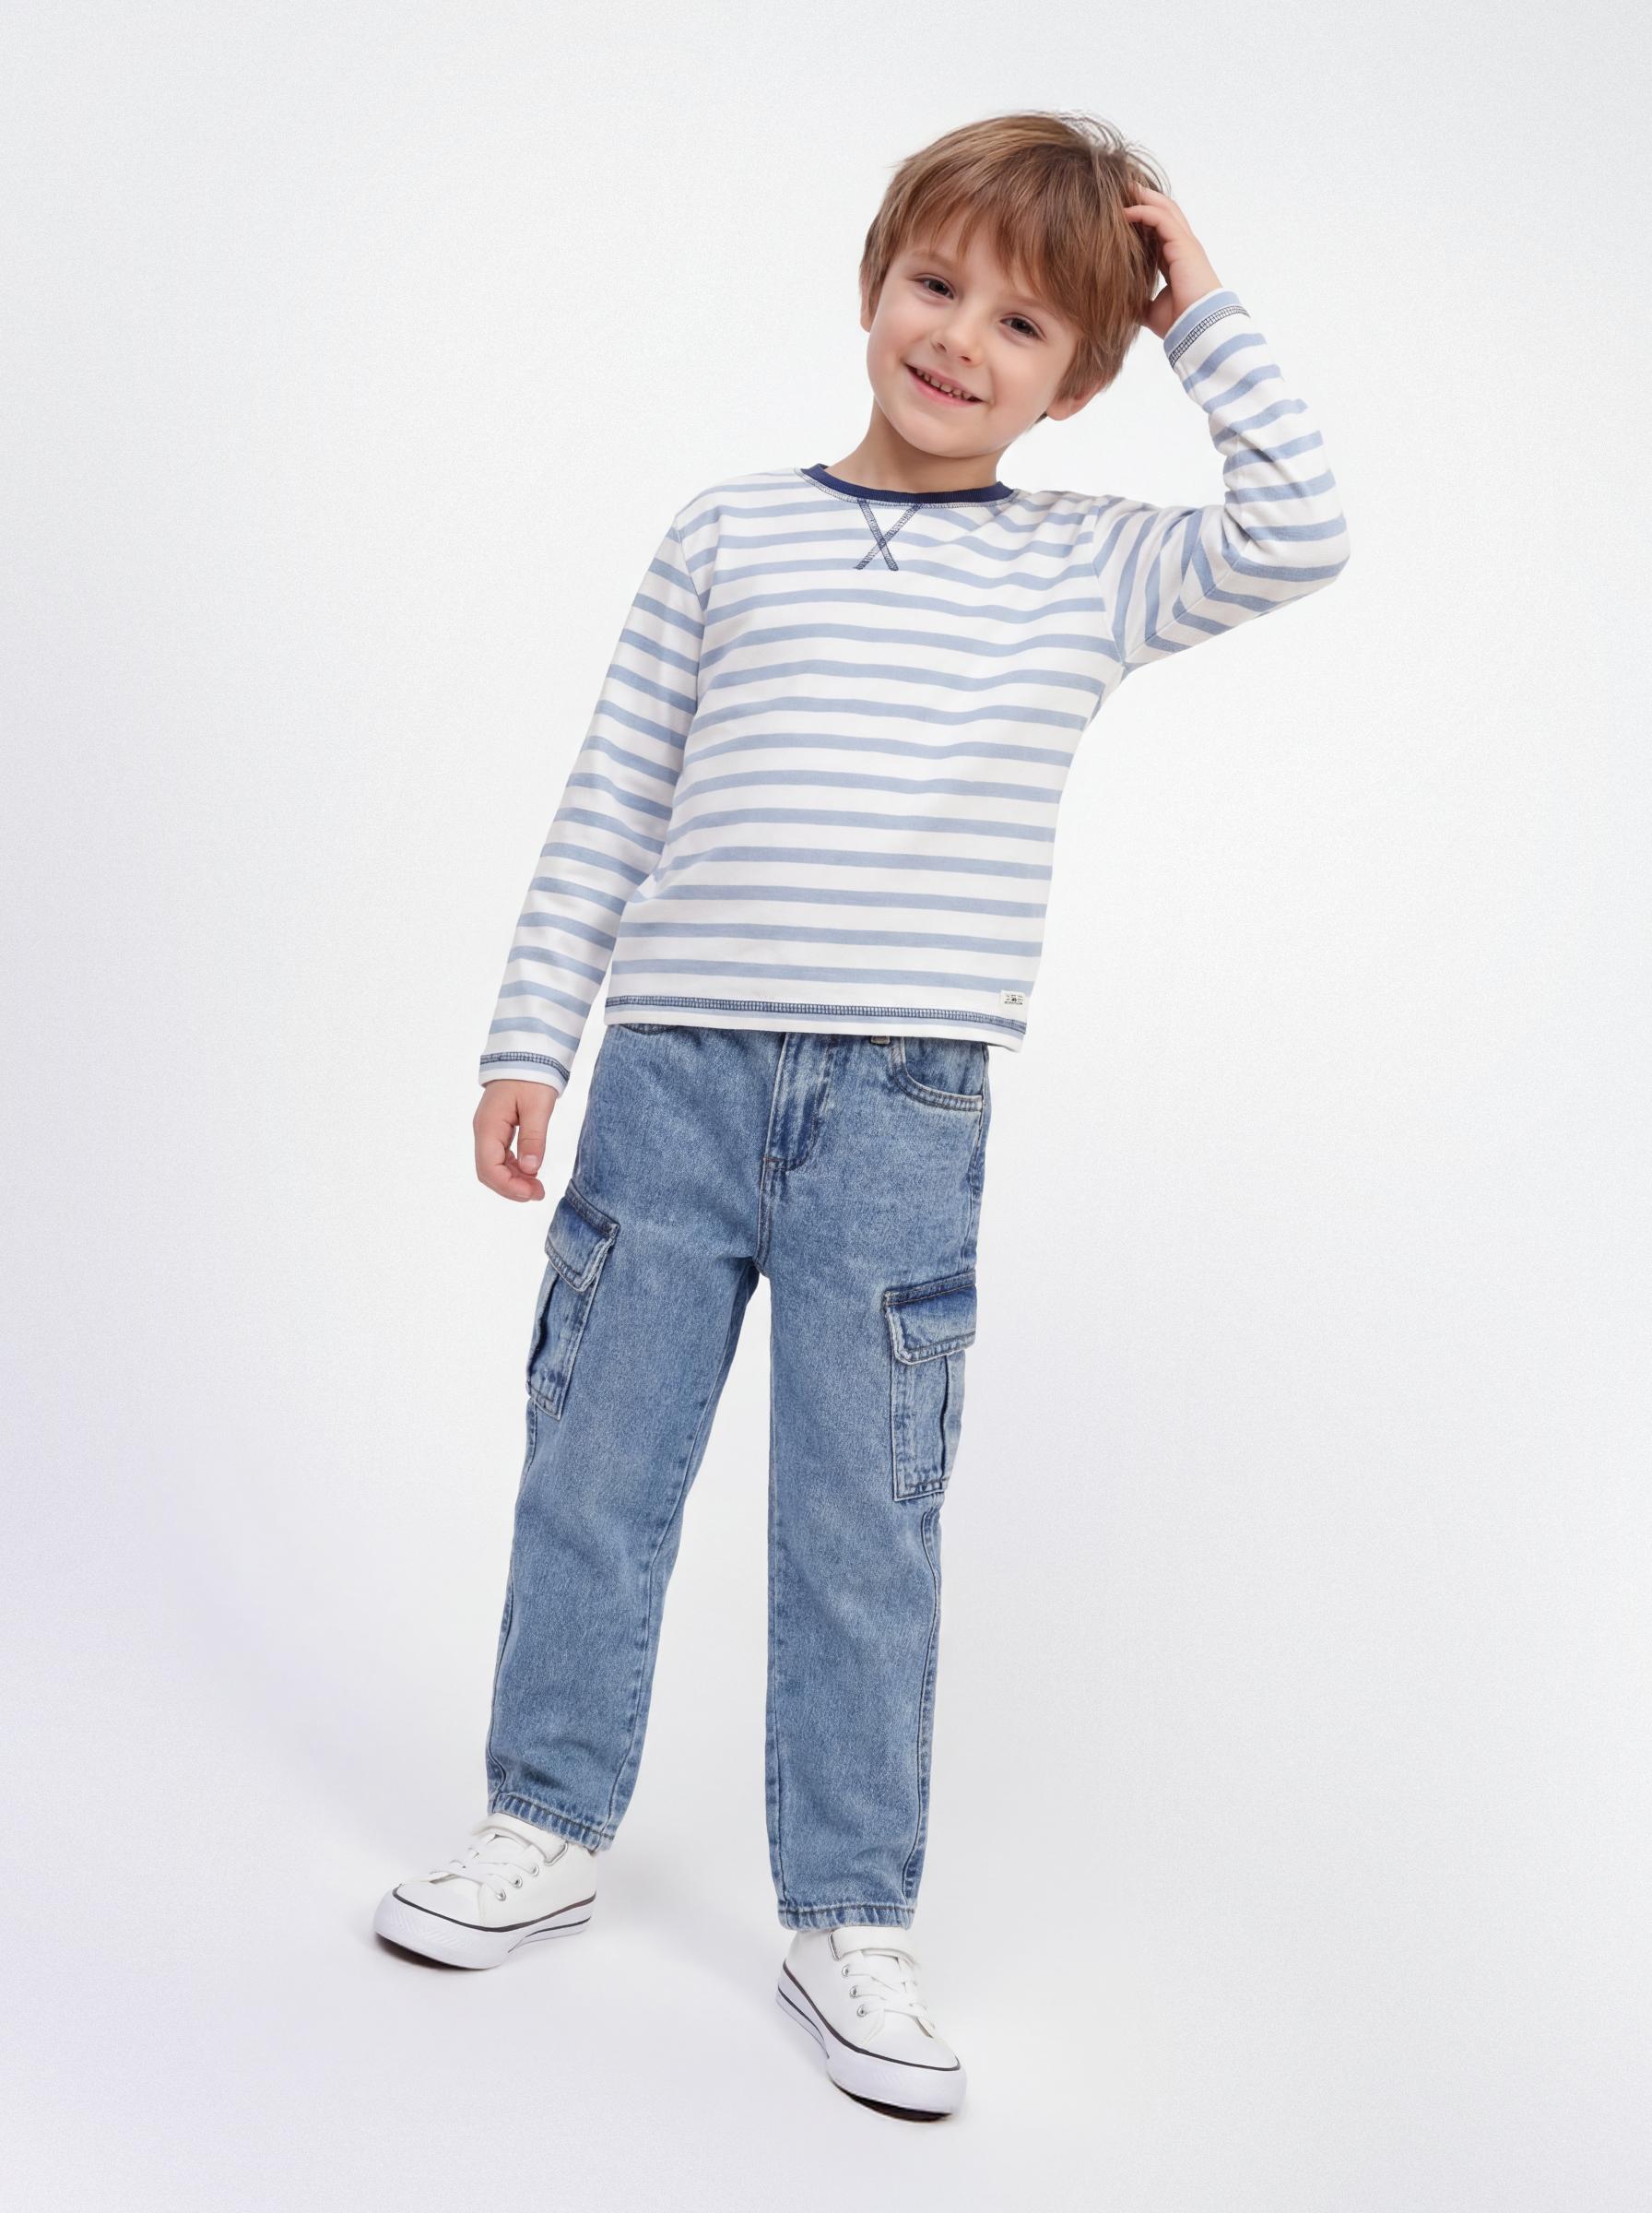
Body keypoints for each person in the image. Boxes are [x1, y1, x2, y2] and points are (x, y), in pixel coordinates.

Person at [372, 108, 1351, 2119]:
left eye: (1025, 323)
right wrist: (528, 1041)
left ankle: (849, 1914)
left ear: (1082, 377)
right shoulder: (728, 533)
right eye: (935, 284)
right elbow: (609, 799)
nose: (959, 340)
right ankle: (541, 1819)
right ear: (873, 282)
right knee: (595, 1468)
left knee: (861, 1523)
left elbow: (1299, 527)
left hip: (902, 1108)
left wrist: (1199, 303)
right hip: (670, 1078)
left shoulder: (1088, 565)